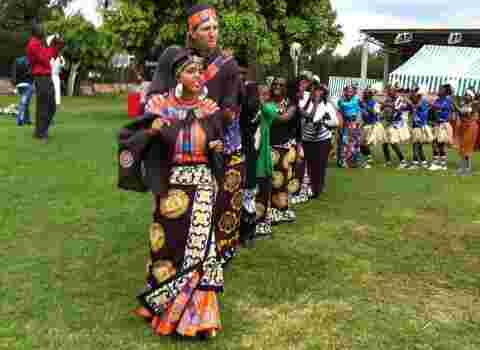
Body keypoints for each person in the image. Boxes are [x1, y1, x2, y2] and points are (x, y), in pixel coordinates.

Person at [119, 50, 225, 338]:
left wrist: (216, 149)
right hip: (170, 185)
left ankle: (197, 320)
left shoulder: (210, 108)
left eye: (200, 71)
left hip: (202, 184)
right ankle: (163, 308)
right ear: (177, 75)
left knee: (201, 252)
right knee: (166, 247)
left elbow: (219, 142)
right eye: (191, 71)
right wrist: (151, 132)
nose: (198, 77)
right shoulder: (159, 105)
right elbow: (129, 137)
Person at [148, 4, 242, 265]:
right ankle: (169, 266)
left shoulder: (227, 65)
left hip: (211, 148)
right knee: (170, 214)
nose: (212, 33)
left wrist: (206, 119)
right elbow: (154, 97)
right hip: (173, 148)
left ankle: (205, 265)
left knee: (209, 214)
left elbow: (230, 110)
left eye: (215, 28)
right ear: (191, 32)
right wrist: (170, 116)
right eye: (205, 29)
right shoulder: (173, 57)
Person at [297, 81, 338, 198]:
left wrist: (324, 122)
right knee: (306, 165)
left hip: (322, 140)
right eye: (315, 91)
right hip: (306, 139)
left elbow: (335, 122)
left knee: (319, 165)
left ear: (324, 94)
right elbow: (306, 117)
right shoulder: (305, 103)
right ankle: (305, 187)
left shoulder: (327, 105)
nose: (316, 93)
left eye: (320, 91)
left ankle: (317, 189)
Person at [269, 77, 297, 224]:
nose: (277, 86)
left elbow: (285, 118)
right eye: (275, 84)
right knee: (270, 180)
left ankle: (282, 208)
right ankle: (270, 209)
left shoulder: (290, 104)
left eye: (281, 84)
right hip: (267, 146)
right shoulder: (267, 101)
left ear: (286, 88)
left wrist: (267, 112)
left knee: (283, 179)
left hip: (284, 148)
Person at [26, 21, 58, 142]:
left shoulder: (39, 43)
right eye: (40, 28)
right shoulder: (33, 44)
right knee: (45, 105)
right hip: (41, 77)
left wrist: (55, 47)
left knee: (51, 106)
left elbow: (51, 56)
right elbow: (45, 59)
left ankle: (39, 131)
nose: (43, 30)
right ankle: (42, 133)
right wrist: (51, 47)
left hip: (46, 77)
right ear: (35, 31)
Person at [381, 86, 409, 168]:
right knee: (384, 143)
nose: (389, 93)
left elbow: (396, 109)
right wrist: (384, 107)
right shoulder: (388, 99)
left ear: (395, 92)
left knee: (393, 142)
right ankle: (388, 161)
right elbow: (383, 108)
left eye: (390, 92)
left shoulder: (399, 99)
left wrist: (386, 105)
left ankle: (403, 161)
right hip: (389, 122)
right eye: (388, 92)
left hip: (397, 123)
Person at [337, 86, 364, 168]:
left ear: (353, 93)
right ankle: (343, 161)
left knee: (355, 143)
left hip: (354, 123)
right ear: (345, 92)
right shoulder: (341, 101)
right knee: (344, 142)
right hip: (345, 123)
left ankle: (354, 162)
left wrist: (358, 123)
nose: (349, 93)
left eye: (351, 92)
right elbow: (340, 112)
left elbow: (358, 111)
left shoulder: (356, 100)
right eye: (348, 91)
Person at [407, 86, 433, 169]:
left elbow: (416, 106)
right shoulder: (421, 100)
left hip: (419, 126)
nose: (413, 94)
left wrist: (408, 101)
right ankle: (424, 162)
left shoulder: (422, 101)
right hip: (418, 125)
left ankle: (415, 163)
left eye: (414, 93)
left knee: (415, 144)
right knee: (418, 145)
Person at [429, 84, 453, 171]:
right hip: (437, 124)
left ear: (445, 92)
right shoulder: (438, 100)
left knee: (440, 144)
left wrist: (431, 103)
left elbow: (441, 107)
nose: (438, 91)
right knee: (434, 143)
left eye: (440, 90)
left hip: (444, 124)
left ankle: (443, 164)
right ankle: (436, 162)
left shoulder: (448, 100)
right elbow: (434, 108)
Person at [456, 89, 479, 175]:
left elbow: (467, 114)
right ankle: (462, 167)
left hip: (471, 127)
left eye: (467, 95)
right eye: (465, 94)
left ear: (471, 97)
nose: (465, 96)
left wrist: (455, 106)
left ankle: (467, 168)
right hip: (463, 126)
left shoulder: (474, 105)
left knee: (467, 147)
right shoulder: (464, 104)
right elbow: (460, 113)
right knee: (462, 146)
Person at [359, 88, 385, 166]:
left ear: (370, 95)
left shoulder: (374, 103)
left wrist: (365, 107)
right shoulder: (362, 102)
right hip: (366, 124)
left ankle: (368, 157)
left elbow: (375, 113)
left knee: (365, 143)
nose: (365, 95)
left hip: (373, 125)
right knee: (360, 143)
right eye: (364, 93)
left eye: (367, 93)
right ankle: (368, 156)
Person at [11, 56, 33, 126]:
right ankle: (20, 120)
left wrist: (14, 84)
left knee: (25, 103)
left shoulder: (17, 60)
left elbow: (13, 73)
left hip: (19, 85)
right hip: (27, 84)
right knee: (24, 103)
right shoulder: (31, 61)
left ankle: (27, 120)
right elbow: (31, 74)